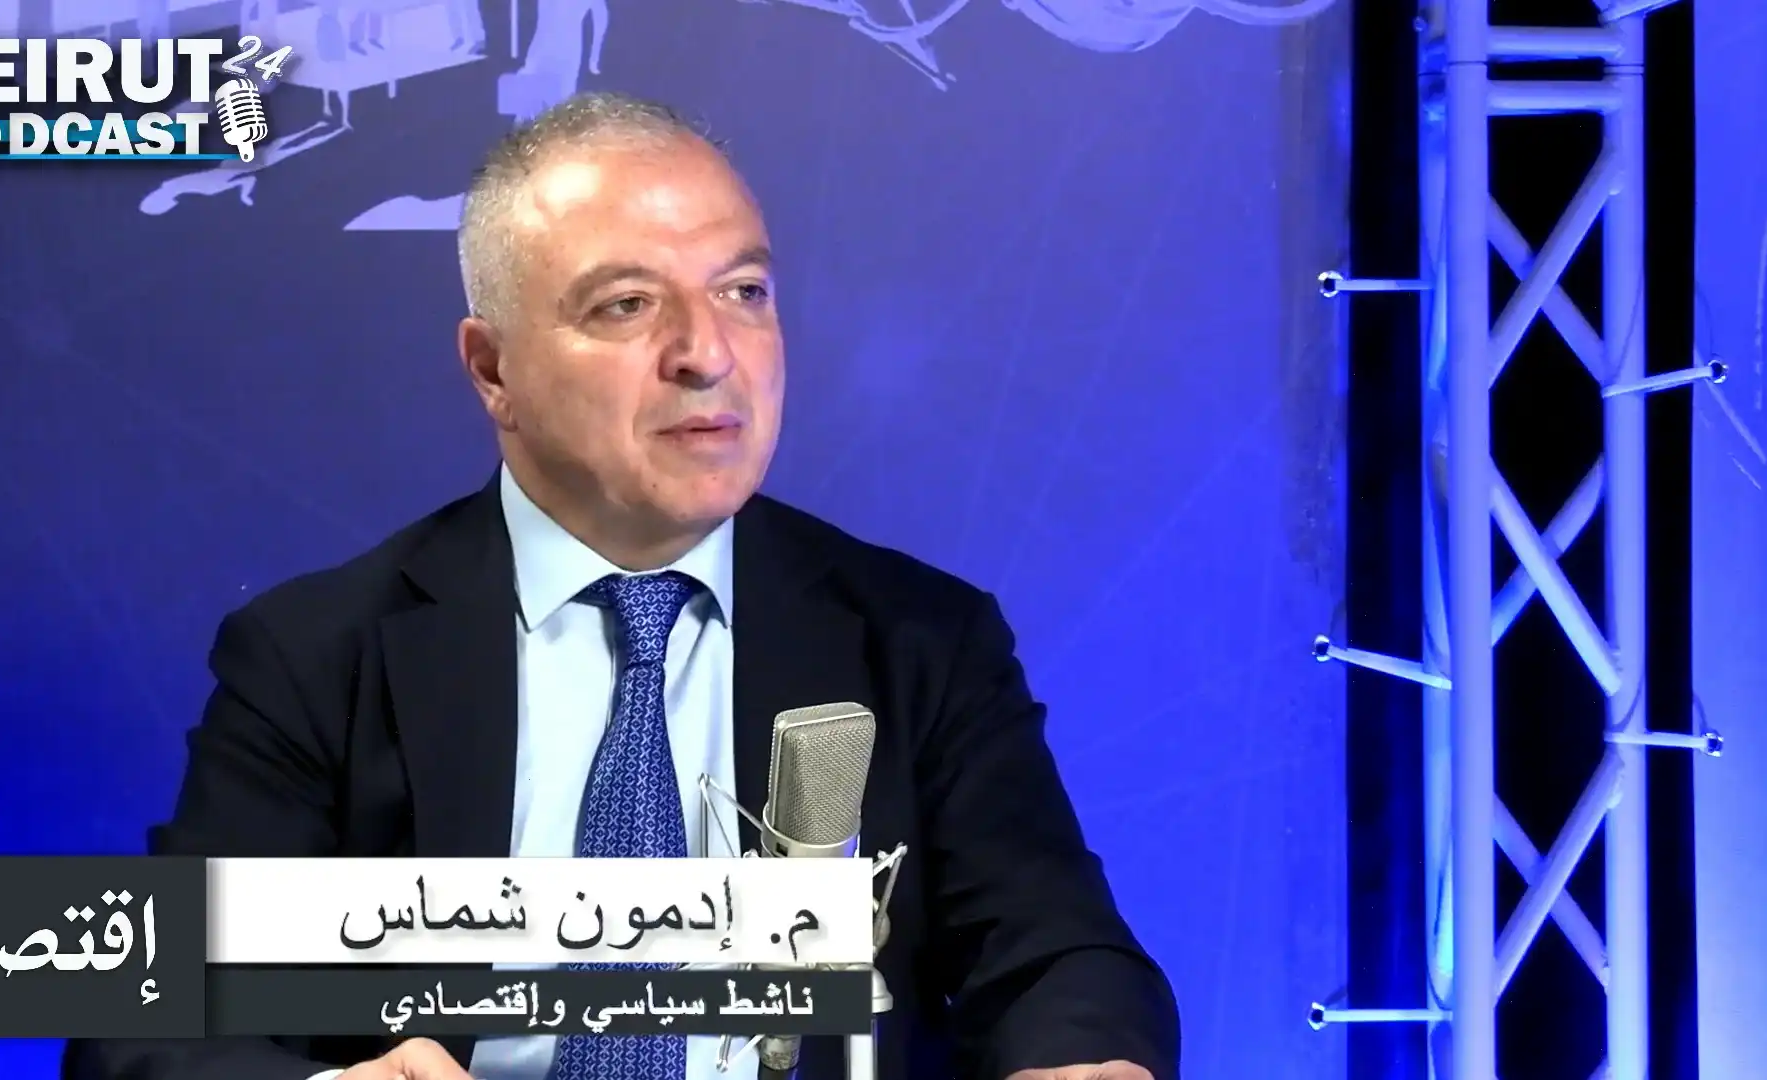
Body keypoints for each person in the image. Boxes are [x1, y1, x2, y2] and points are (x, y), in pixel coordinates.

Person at [62, 90, 1180, 1080]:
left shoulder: (920, 641)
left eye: (744, 290)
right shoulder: (317, 656)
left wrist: (1080, 1060)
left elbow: (1059, 956)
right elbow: (147, 1023)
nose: (707, 352)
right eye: (627, 305)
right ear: (492, 368)